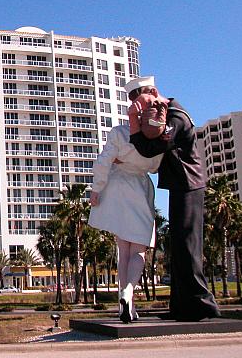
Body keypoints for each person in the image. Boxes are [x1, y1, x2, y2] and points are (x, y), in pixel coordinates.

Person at [126, 76, 220, 322]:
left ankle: (203, 306)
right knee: (178, 247)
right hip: (179, 185)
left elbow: (152, 147)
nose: (142, 109)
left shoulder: (177, 116)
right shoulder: (164, 115)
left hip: (190, 183)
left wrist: (133, 121)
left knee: (188, 245)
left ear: (154, 92)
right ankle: (181, 307)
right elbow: (148, 147)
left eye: (142, 100)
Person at [88, 115, 162, 323]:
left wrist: (97, 188)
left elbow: (104, 161)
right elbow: (155, 168)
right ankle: (129, 292)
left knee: (123, 249)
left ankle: (126, 303)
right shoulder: (158, 142)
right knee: (138, 249)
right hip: (139, 187)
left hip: (117, 186)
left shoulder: (120, 132)